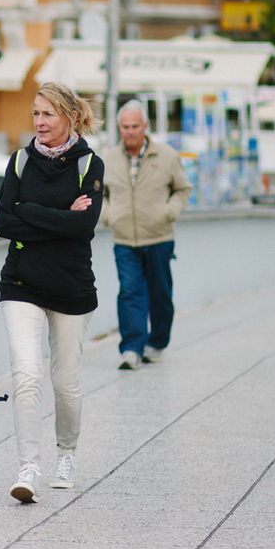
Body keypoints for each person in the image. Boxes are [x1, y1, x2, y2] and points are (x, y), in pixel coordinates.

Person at [0, 81, 104, 504]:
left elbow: (85, 227)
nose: (39, 122)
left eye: (47, 115)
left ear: (70, 118)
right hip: (20, 283)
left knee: (66, 383)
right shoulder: (20, 161)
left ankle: (66, 454)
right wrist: (59, 215)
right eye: (35, 114)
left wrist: (30, 212)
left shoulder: (89, 164)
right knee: (26, 374)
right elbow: (5, 222)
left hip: (72, 287)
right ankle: (28, 467)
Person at [102, 99, 192, 371]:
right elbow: (99, 195)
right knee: (129, 292)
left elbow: (183, 189)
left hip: (159, 237)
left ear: (145, 126)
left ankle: (157, 342)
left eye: (135, 126)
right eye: (125, 127)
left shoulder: (166, 156)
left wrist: (169, 212)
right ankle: (131, 348)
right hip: (124, 239)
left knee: (160, 295)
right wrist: (108, 216)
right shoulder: (109, 159)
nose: (129, 131)